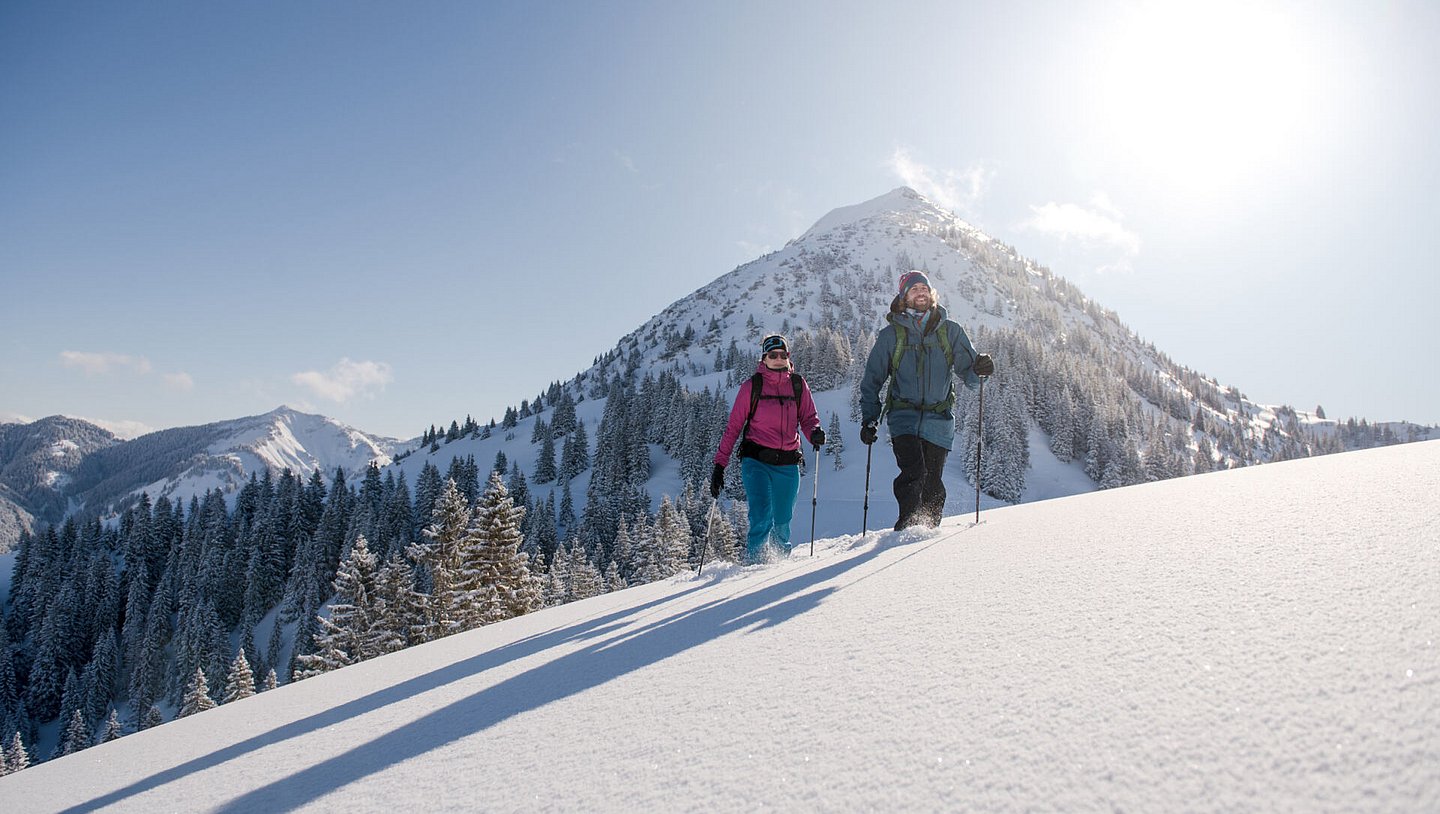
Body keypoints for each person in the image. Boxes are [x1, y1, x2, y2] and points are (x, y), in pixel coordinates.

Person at [859, 270, 995, 529]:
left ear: (931, 293)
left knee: (933, 481)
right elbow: (872, 381)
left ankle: (929, 532)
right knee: (914, 473)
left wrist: (982, 370)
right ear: (903, 297)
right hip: (903, 417)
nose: (920, 292)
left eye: (924, 288)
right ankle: (907, 528)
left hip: (939, 419)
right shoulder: (891, 336)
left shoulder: (951, 331)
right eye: (913, 289)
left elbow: (971, 376)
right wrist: (870, 418)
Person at [711, 334, 823, 562]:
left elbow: (808, 418)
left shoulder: (797, 384)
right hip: (756, 461)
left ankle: (777, 572)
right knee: (761, 516)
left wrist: (815, 433)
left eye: (783, 355)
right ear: (764, 358)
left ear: (788, 357)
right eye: (773, 355)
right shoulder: (752, 387)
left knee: (782, 522)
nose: (778, 359)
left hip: (788, 463)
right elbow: (733, 428)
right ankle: (754, 567)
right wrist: (719, 466)